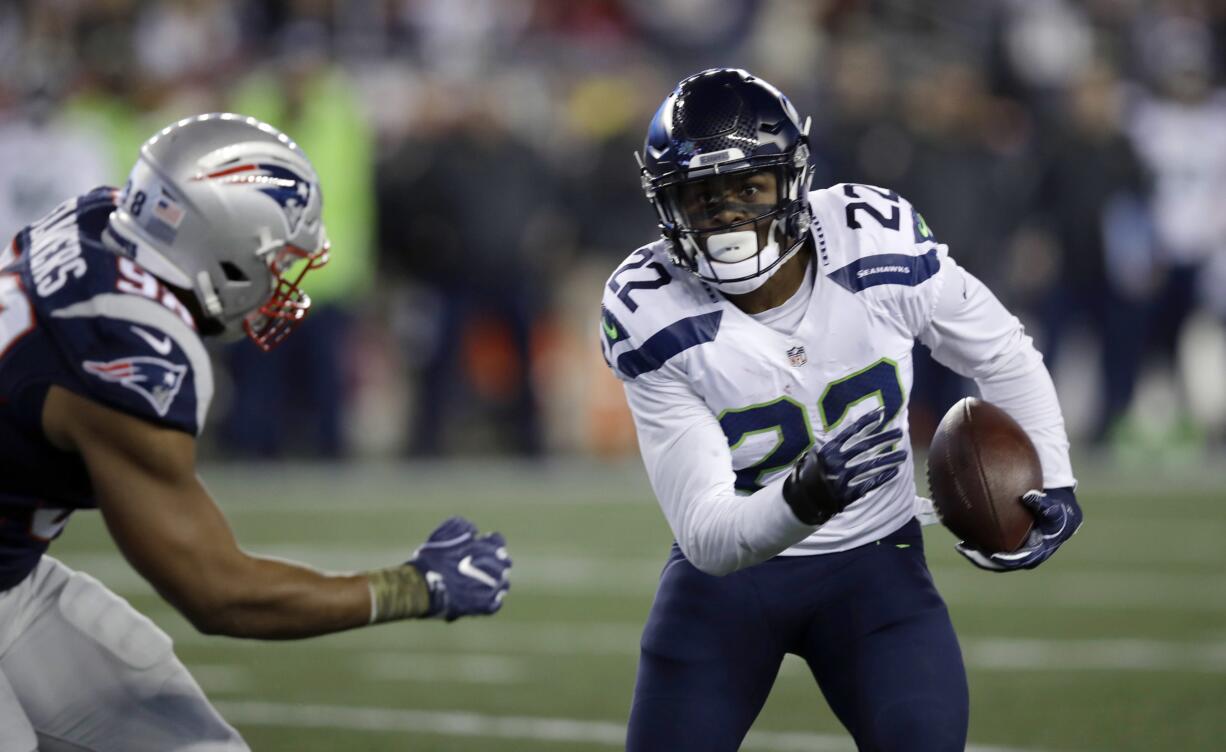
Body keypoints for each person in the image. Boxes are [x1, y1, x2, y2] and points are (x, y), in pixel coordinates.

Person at [601, 69, 1082, 751]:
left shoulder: (872, 241)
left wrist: (1053, 475)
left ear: (793, 180)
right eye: (703, 198)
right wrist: (802, 499)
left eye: (749, 187)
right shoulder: (650, 308)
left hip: (874, 568)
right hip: (729, 589)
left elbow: (1000, 352)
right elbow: (708, 534)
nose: (730, 216)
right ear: (668, 206)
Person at [0, 113, 512, 752]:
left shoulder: (100, 218)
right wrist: (415, 587)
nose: (280, 284)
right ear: (224, 252)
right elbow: (218, 594)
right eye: (274, 261)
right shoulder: (126, 356)